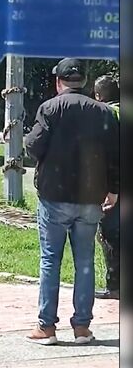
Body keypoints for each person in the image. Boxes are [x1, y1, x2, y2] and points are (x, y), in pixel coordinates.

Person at [24, 58, 119, 345]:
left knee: (51, 260)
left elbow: (33, 146)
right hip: (91, 197)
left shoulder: (50, 108)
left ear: (58, 81)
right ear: (85, 82)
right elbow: (116, 155)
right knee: (85, 261)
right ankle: (82, 328)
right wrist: (114, 190)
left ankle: (46, 327)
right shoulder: (103, 112)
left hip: (54, 196)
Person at [93, 75, 120, 300]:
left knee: (110, 236)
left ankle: (114, 287)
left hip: (113, 185)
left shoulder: (105, 114)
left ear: (99, 95)